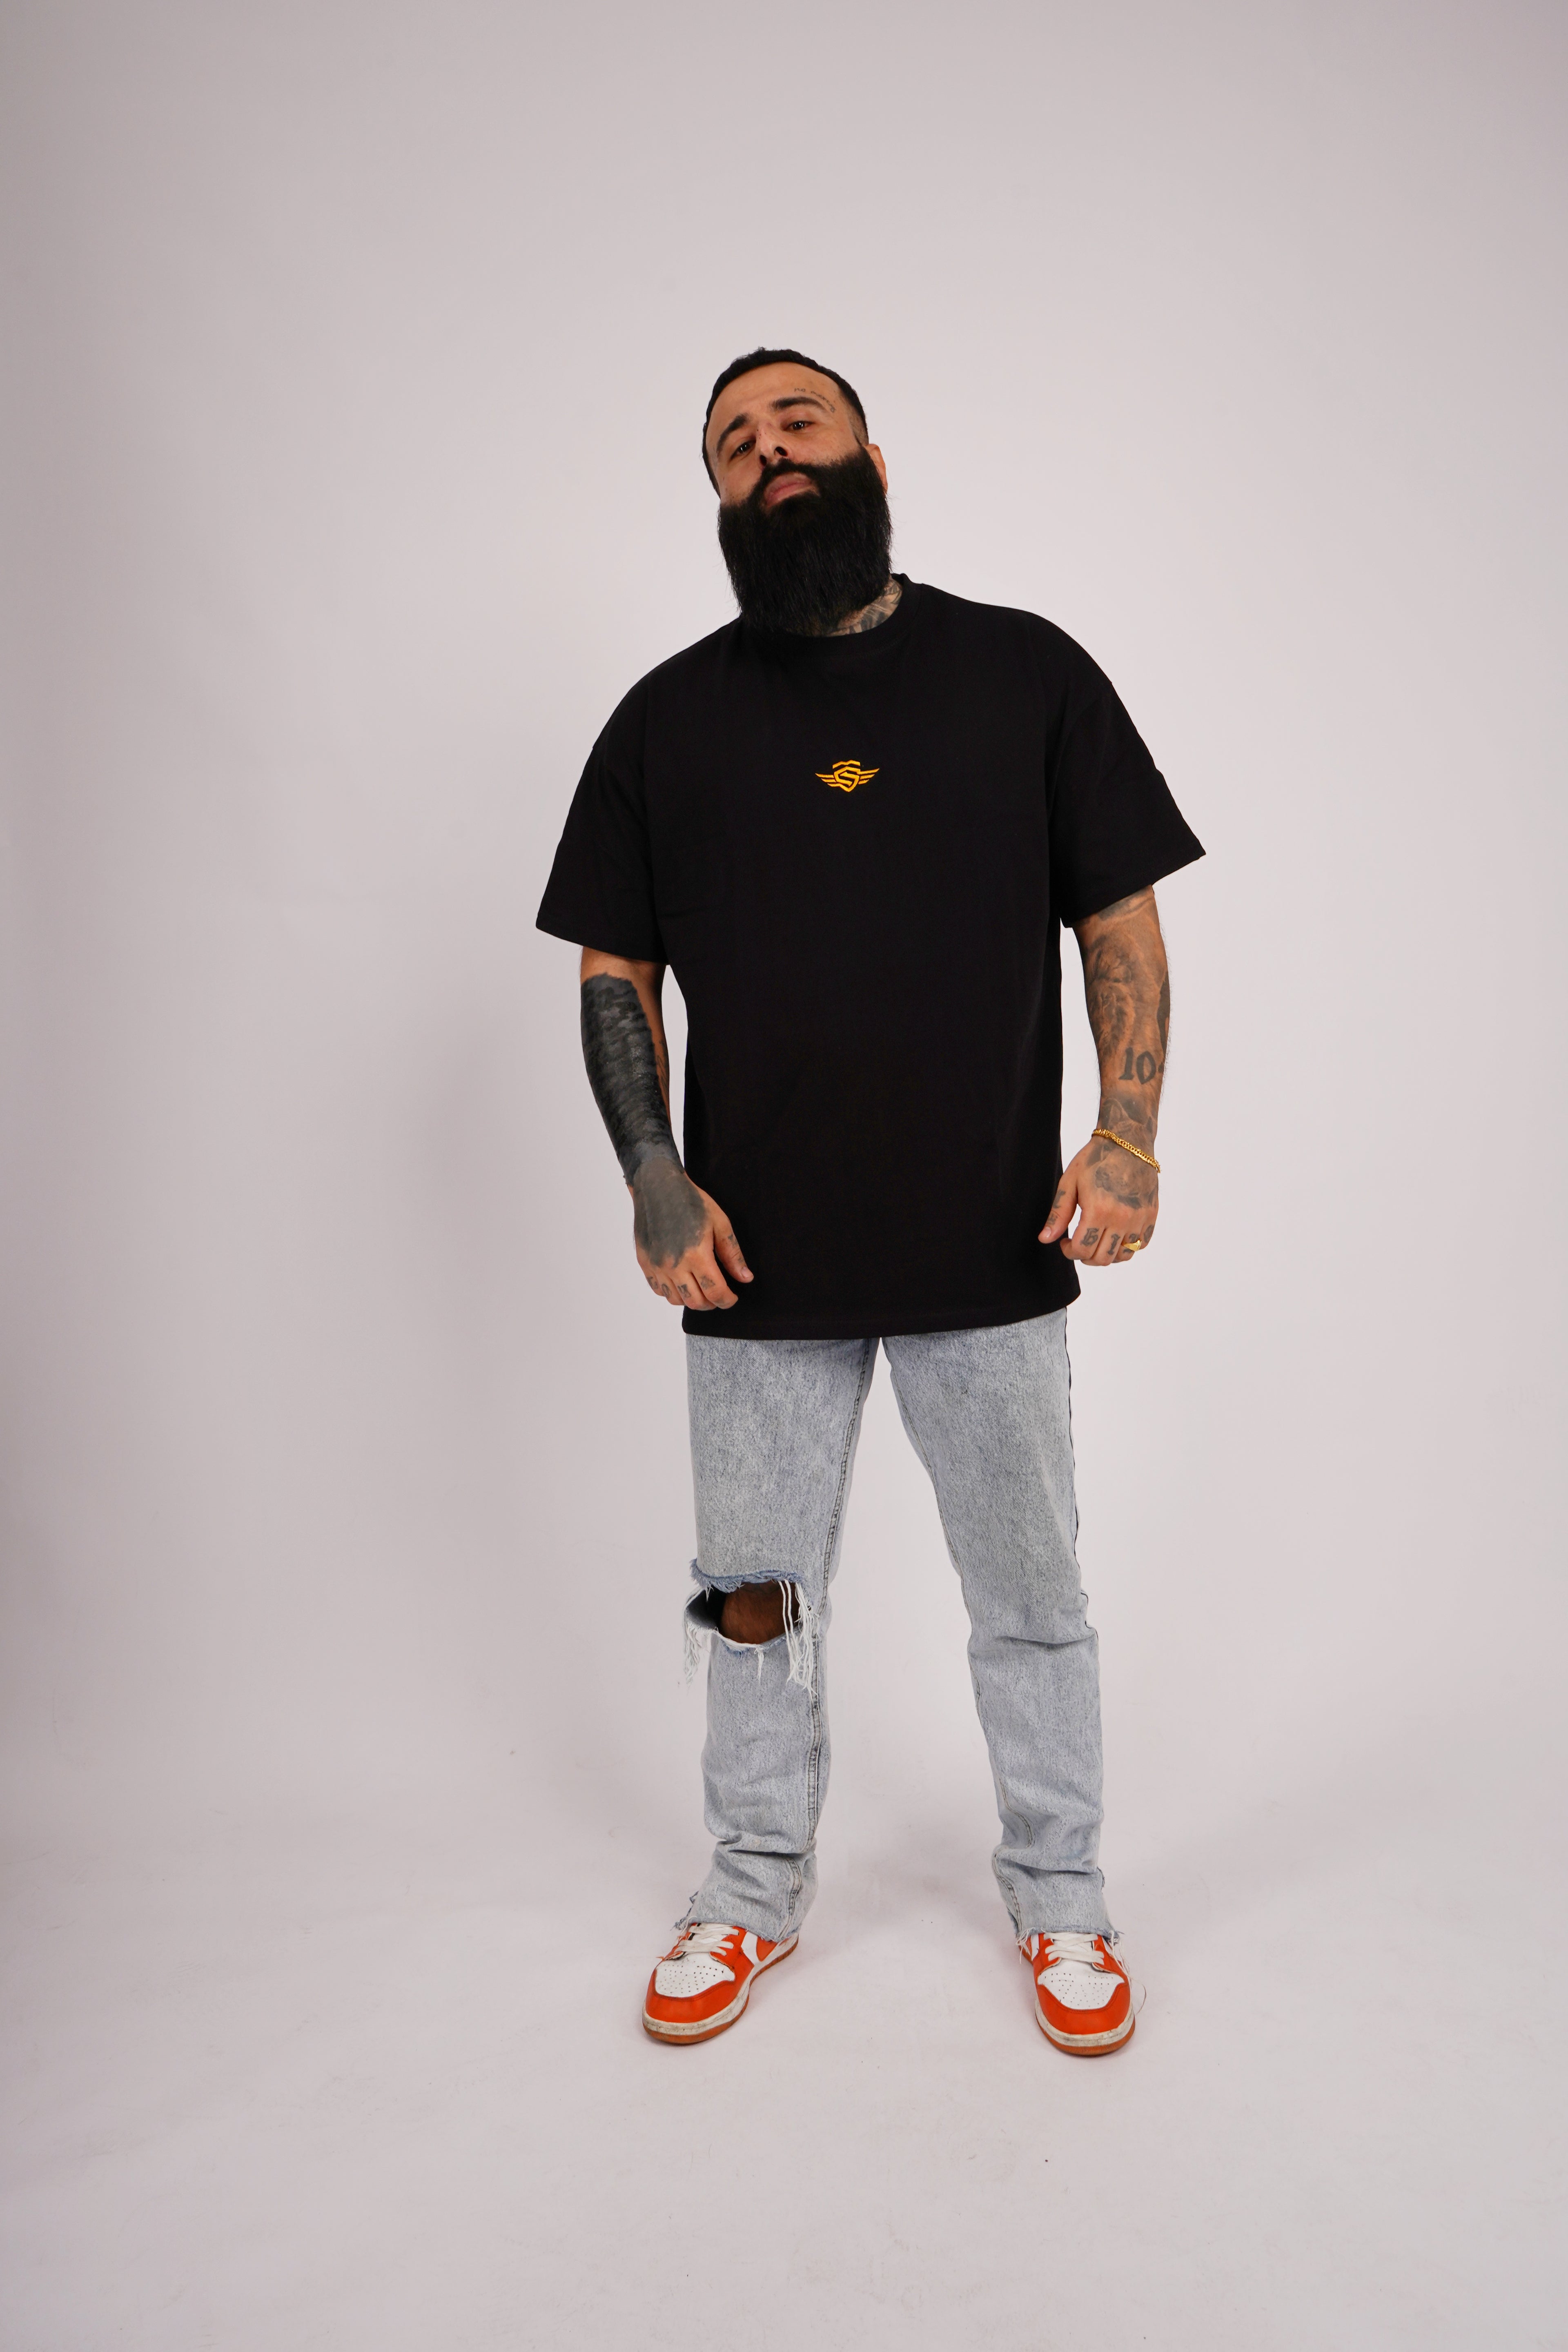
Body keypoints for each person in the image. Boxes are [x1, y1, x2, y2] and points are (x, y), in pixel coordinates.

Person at [537, 348, 1203, 2054]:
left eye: (797, 425)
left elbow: (1118, 921)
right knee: (750, 1600)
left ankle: (1062, 1894)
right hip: (750, 1263)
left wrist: (1127, 1134)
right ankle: (752, 1885)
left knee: (1031, 1595)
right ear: (718, 497)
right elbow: (617, 973)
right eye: (734, 445)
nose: (769, 454)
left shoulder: (1025, 673)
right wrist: (652, 1172)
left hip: (994, 1241)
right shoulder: (667, 720)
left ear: (870, 459)